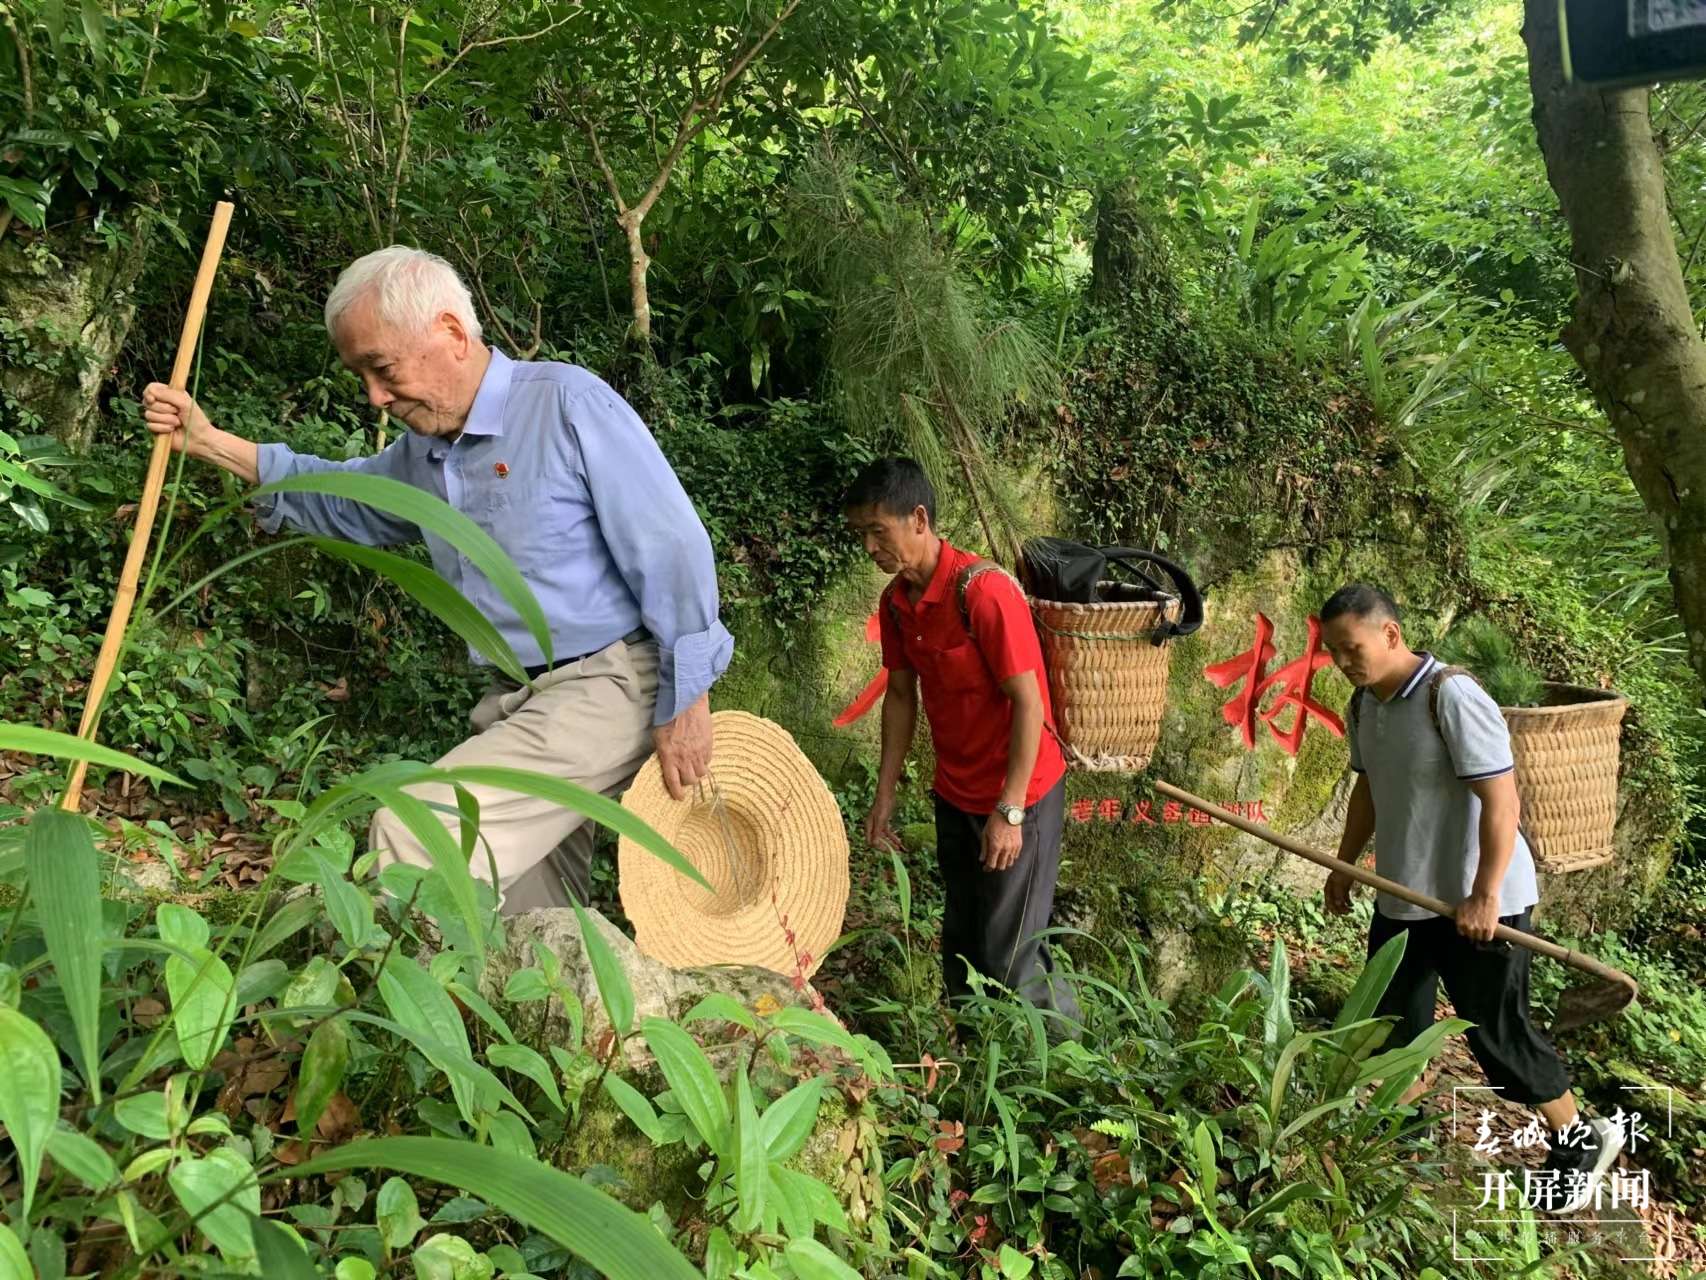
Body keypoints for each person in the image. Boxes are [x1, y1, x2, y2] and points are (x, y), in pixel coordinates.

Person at [142, 245, 732, 912]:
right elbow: (347, 499)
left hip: (611, 684)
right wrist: (209, 441)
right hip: (517, 699)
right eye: (361, 376)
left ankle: (380, 978)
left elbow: (670, 547)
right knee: (531, 914)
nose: (375, 396)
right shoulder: (425, 454)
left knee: (418, 830)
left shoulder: (565, 405)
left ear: (450, 332)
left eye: (382, 368)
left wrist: (688, 700)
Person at [1319, 583, 1624, 1214]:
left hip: (1480, 900)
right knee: (1389, 1020)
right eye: (1333, 652)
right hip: (1406, 893)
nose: (1343, 662)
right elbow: (1368, 789)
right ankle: (1402, 1133)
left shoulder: (1449, 695)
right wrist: (1344, 867)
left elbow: (1502, 800)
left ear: (1390, 634)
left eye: (1351, 648)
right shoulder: (1365, 705)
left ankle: (1580, 1139)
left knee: (1496, 1032)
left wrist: (1484, 893)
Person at [847, 458, 1081, 1033]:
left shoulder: (983, 592)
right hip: (956, 793)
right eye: (862, 535)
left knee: (1012, 952)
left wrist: (1011, 810)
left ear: (918, 519)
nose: (871, 547)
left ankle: (1065, 1063)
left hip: (1021, 793)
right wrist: (884, 794)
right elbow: (899, 697)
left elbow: (1029, 703)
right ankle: (977, 1063)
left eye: (878, 531)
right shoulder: (897, 603)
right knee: (962, 944)